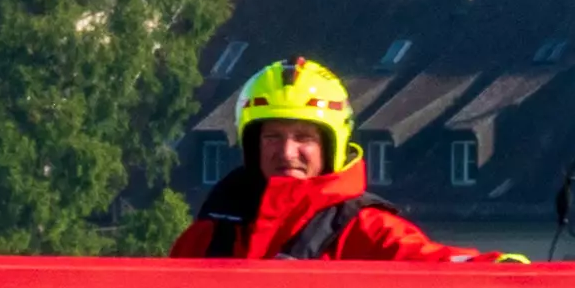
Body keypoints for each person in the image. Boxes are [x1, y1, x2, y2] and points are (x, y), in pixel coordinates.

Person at [169, 60, 507, 264]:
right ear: (251, 144)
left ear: (332, 145)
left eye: (304, 138)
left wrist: (507, 273)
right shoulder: (210, 234)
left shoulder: (365, 230)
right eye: (272, 137)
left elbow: (434, 263)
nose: (287, 152)